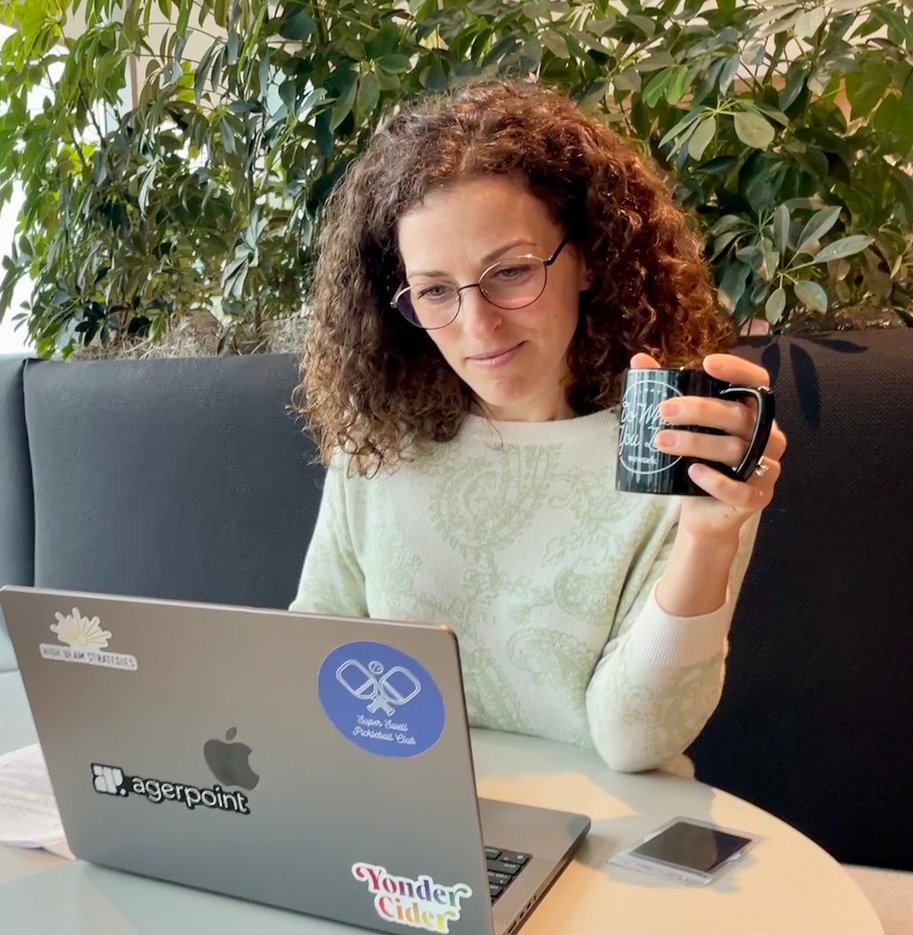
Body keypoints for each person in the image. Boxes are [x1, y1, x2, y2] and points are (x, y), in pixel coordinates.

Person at [289, 79, 787, 773]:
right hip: (417, 819)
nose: (478, 326)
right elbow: (315, 654)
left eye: (512, 272)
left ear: (584, 257)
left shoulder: (673, 445)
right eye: (435, 290)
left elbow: (634, 737)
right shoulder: (382, 440)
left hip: (612, 831)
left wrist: (708, 535)